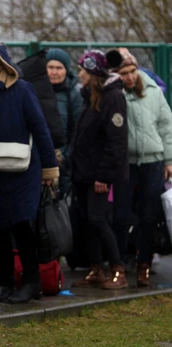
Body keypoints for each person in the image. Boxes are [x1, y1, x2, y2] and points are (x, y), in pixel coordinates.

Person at [0, 44, 59, 304]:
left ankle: (32, 281)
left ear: (1, 64)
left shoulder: (22, 89)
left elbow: (40, 127)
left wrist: (50, 168)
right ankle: (6, 283)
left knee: (22, 224)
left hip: (25, 169)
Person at [111, 50, 172, 287]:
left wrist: (169, 160)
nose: (128, 77)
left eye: (132, 71)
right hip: (125, 162)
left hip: (152, 161)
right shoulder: (116, 95)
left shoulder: (154, 93)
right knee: (121, 215)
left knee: (149, 215)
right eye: (123, 72)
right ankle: (118, 265)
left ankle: (144, 264)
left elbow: (166, 126)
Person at [71, 49, 129, 290]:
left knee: (98, 218)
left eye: (82, 70)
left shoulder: (113, 98)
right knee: (88, 220)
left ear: (94, 72)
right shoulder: (91, 96)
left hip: (99, 175)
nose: (79, 74)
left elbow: (116, 141)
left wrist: (104, 175)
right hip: (85, 173)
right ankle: (96, 268)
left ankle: (118, 269)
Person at [46, 48, 83, 197]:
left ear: (66, 70)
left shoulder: (74, 94)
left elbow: (77, 129)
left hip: (65, 160)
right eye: (50, 67)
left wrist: (66, 155)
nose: (54, 72)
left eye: (59, 68)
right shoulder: (36, 90)